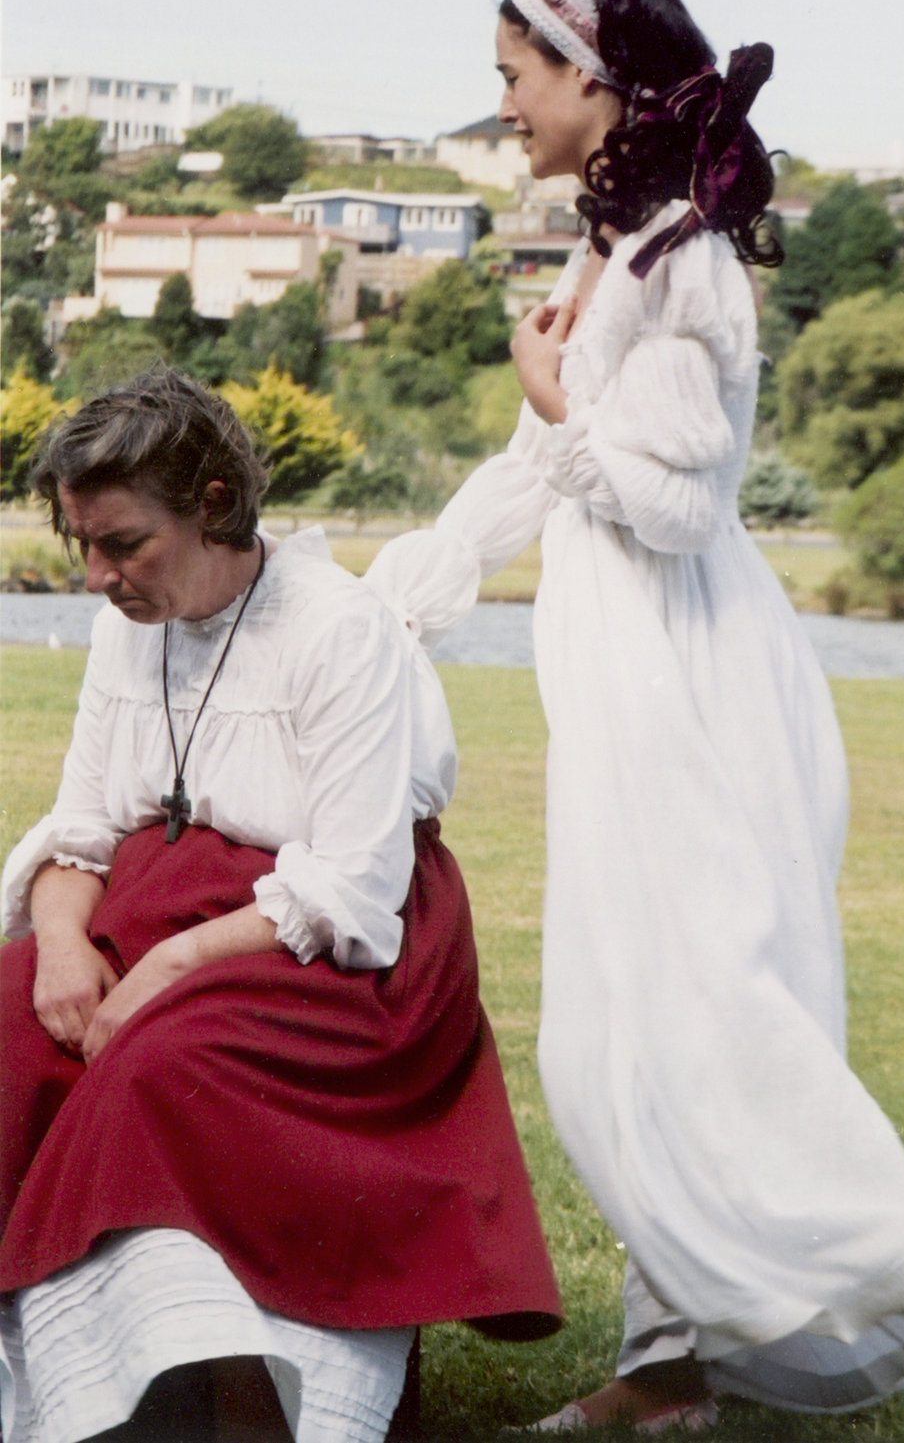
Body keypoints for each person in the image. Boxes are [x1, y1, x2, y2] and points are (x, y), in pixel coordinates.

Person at [363, 0, 904, 1432]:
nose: (505, 104)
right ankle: (669, 1375)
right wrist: (398, 606)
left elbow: (679, 506)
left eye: (517, 77)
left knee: (686, 1019)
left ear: (593, 76)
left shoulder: (686, 266)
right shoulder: (614, 246)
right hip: (623, 678)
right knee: (630, 1024)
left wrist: (562, 402)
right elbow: (539, 472)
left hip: (692, 683)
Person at [0, 369, 562, 1443]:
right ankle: (74, 1399)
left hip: (331, 947)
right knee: (7, 1021)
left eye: (121, 543)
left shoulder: (339, 629)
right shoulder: (131, 621)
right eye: (83, 542)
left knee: (165, 1069)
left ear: (213, 503)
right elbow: (83, 819)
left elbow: (353, 882)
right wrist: (64, 938)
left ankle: (255, 1406)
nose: (96, 574)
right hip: (154, 910)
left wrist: (161, 973)